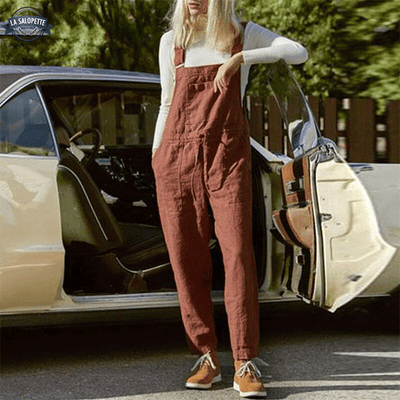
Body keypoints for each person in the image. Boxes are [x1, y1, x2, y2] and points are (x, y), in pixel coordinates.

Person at [152, 0, 308, 397]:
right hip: (176, 157)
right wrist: (157, 157)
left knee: (238, 254)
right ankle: (205, 356)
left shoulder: (244, 33)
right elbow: (167, 103)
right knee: (186, 257)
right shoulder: (173, 41)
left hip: (227, 155)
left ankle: (244, 361)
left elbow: (297, 52)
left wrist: (240, 58)